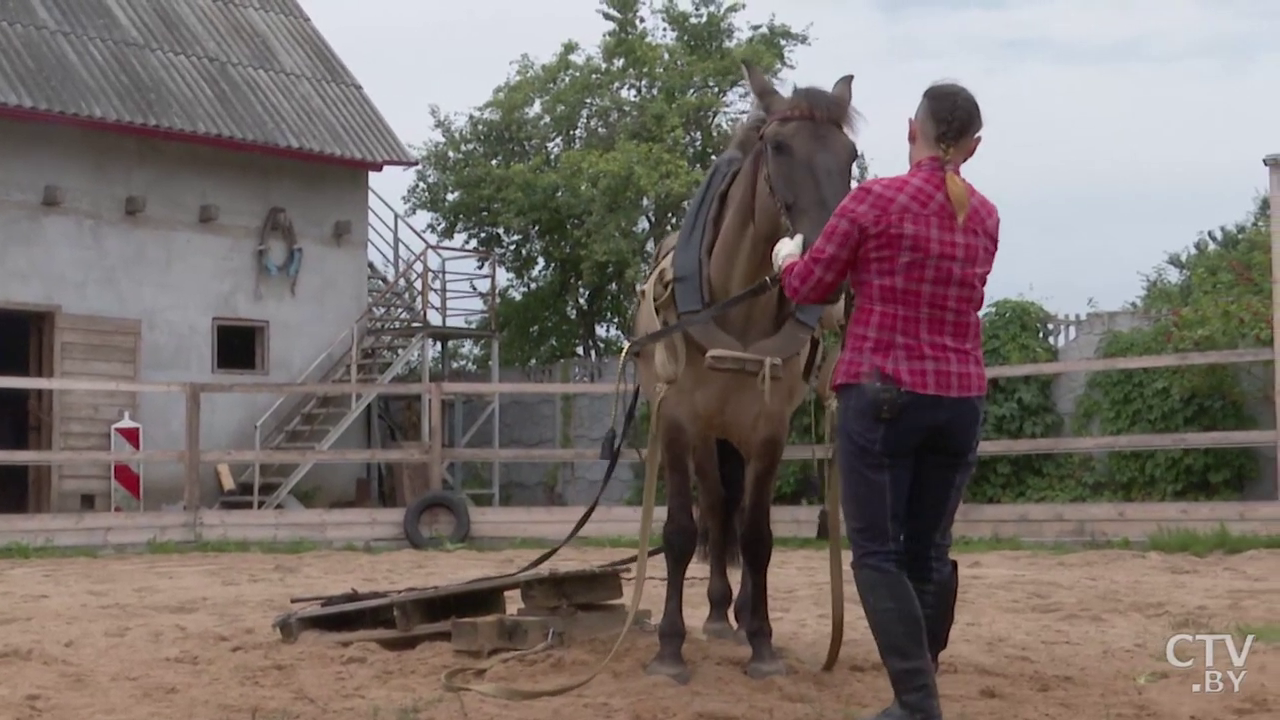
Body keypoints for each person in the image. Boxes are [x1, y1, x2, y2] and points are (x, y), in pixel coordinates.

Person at [771, 82, 998, 720]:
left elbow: (813, 288)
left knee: (875, 553)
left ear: (910, 129)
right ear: (973, 147)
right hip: (959, 399)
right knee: (928, 549)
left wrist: (789, 257)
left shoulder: (873, 202)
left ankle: (917, 703)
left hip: (883, 391)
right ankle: (916, 693)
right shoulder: (985, 216)